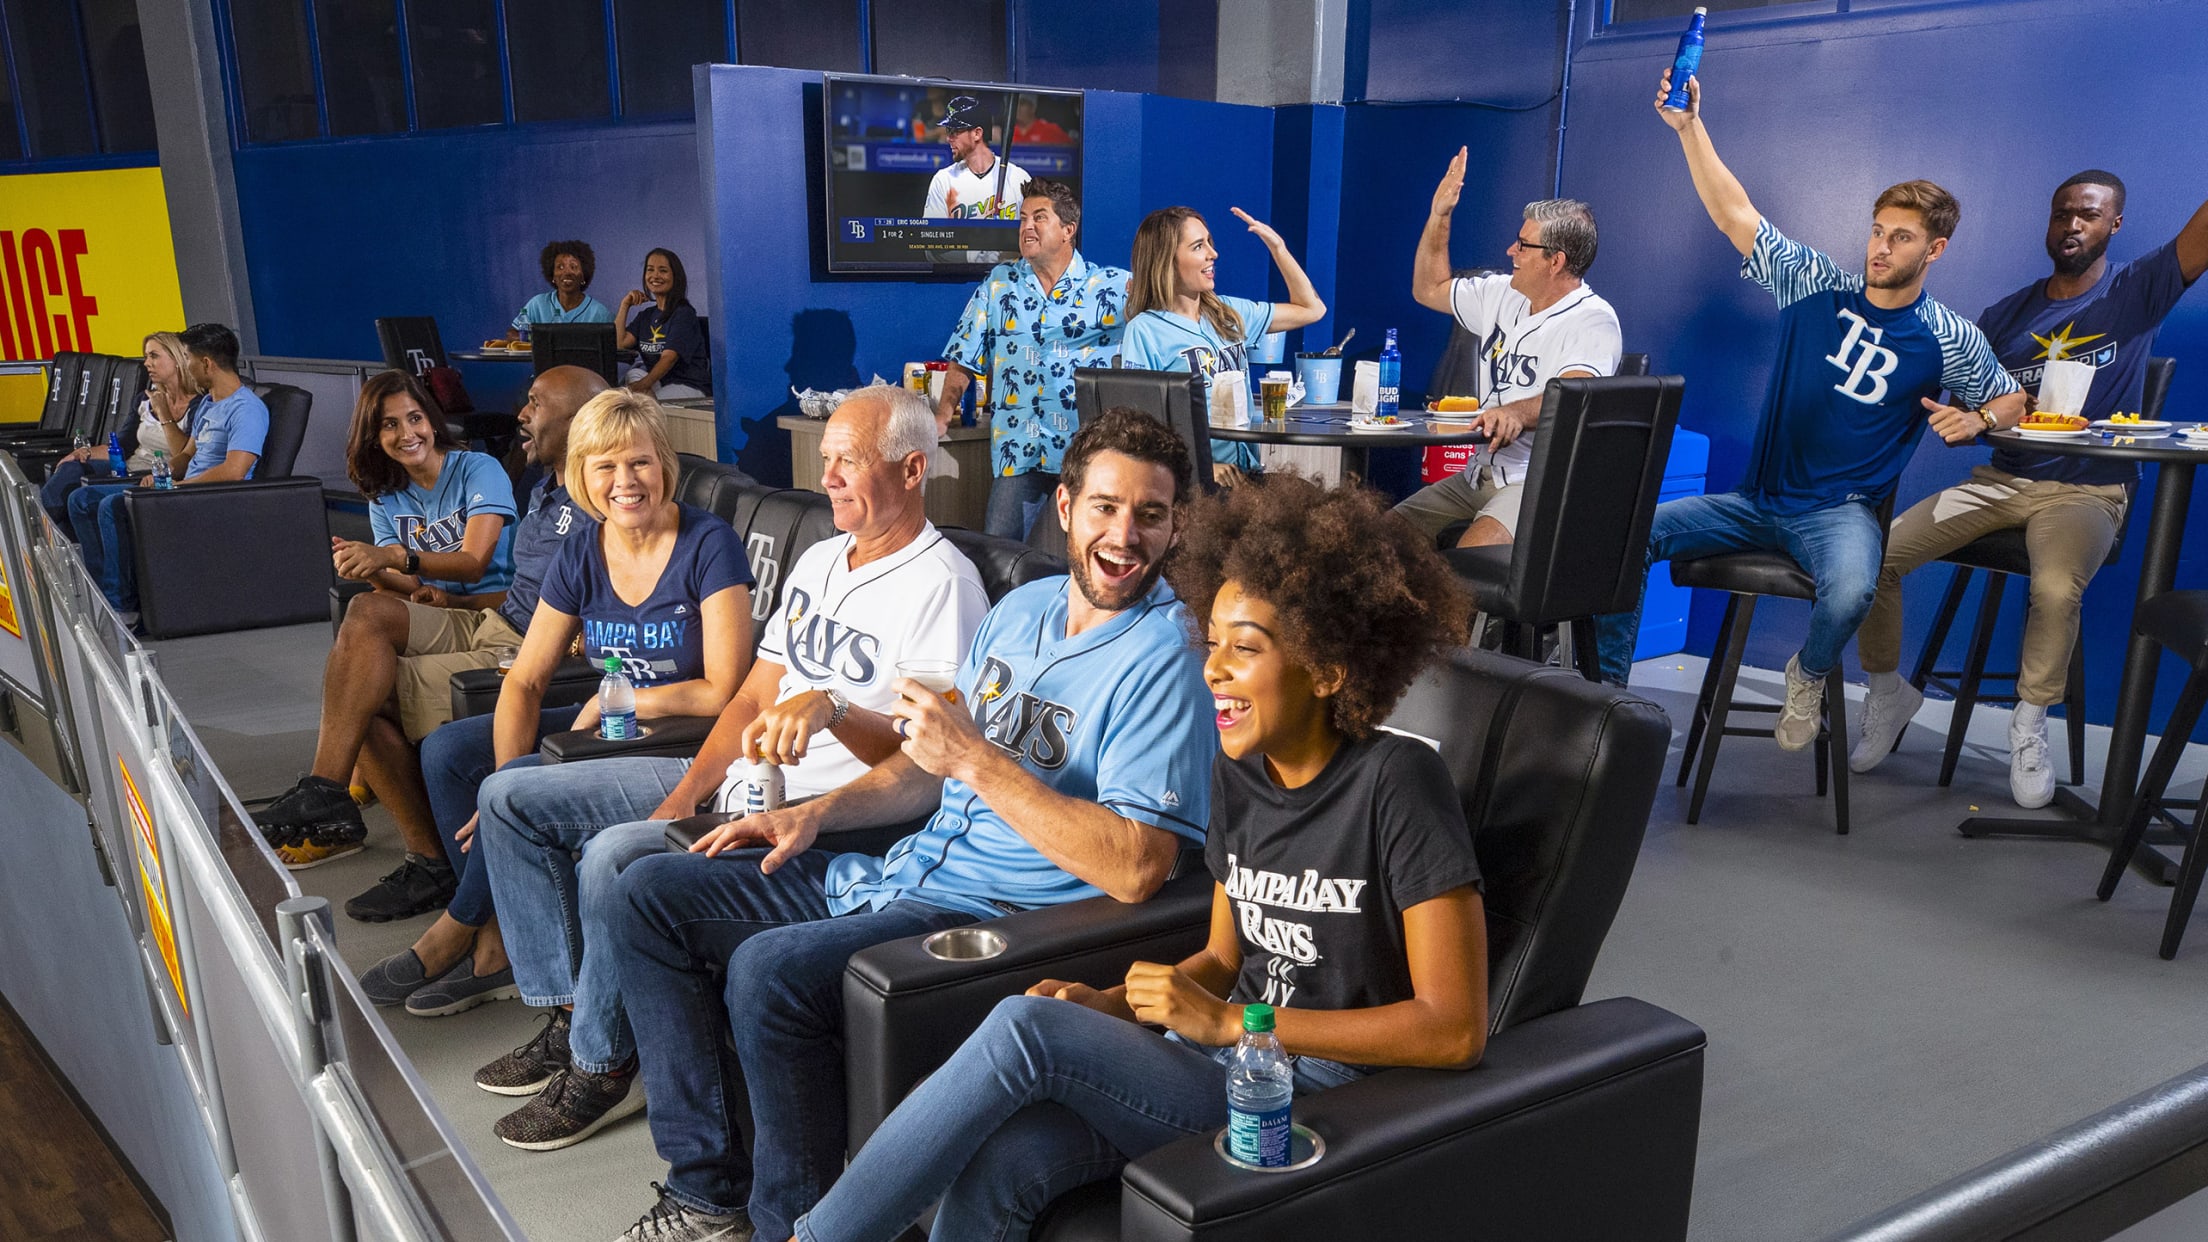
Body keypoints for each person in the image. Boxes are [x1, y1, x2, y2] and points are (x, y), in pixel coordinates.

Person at [790, 473, 1484, 1242]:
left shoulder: (1399, 783)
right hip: (1218, 1061)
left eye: (1243, 649)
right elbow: (1223, 957)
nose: (1212, 667)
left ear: (1326, 669)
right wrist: (1113, 1003)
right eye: (1211, 641)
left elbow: (1453, 1028)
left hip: (1313, 1094)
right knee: (1007, 1162)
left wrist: (1234, 1026)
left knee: (1025, 1030)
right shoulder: (1242, 775)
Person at [604, 409, 1218, 1242]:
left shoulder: (1168, 657)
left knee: (769, 973)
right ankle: (709, 1190)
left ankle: (796, 1222)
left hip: (992, 917)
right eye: (1106, 507)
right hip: (896, 868)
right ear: (1065, 508)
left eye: (1151, 514)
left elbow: (1140, 868)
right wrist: (815, 814)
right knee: (646, 892)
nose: (1125, 535)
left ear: (1177, 524)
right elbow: (927, 763)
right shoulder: (1024, 608)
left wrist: (980, 763)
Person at [470, 385, 989, 1152]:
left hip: (824, 818)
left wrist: (837, 711)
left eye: (849, 461)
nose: (829, 478)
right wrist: (682, 799)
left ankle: (600, 1062)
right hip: (737, 784)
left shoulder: (944, 586)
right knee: (517, 798)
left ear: (912, 470)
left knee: (614, 860)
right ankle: (581, 1022)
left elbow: (931, 765)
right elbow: (748, 696)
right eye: (828, 459)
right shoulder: (820, 561)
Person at [1589, 70, 2026, 744]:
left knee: (1853, 589)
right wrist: (1689, 128)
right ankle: (1604, 703)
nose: (1881, 248)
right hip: (1755, 501)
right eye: (1878, 231)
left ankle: (1810, 672)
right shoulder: (1814, 284)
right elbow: (1735, 212)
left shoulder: (1948, 336)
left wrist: (1979, 420)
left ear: (1935, 249)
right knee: (1622, 533)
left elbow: (2012, 398)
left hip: (1838, 513)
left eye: (1901, 238)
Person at [376, 389, 754, 1019]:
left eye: (639, 462)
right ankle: (495, 933)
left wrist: (627, 698)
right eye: (605, 467)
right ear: (582, 476)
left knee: (513, 789)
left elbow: (724, 688)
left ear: (664, 464)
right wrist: (503, 783)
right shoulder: (583, 549)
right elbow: (524, 681)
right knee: (449, 752)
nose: (625, 482)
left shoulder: (708, 544)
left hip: (681, 736)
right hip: (607, 723)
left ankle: (469, 938)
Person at [1852, 173, 2208, 806]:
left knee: (2052, 588)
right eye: (2063, 213)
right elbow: (1966, 406)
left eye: (2090, 216)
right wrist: (1962, 421)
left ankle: (2029, 723)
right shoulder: (2006, 315)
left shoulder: (2139, 289)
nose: (2073, 225)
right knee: (1873, 558)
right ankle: (1888, 693)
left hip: (2088, 493)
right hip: (2002, 480)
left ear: (2113, 226)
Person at [312, 368, 603, 989]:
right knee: (362, 640)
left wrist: (397, 561)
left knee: (371, 703)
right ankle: (346, 803)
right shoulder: (548, 488)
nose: (519, 414)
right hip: (491, 619)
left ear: (581, 420)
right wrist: (428, 592)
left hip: (532, 648)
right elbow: (524, 593)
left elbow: (528, 587)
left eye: (533, 403)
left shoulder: (590, 495)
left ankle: (463, 909)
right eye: (389, 424)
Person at [255, 370, 519, 872]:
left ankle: (343, 808)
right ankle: (327, 791)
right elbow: (391, 582)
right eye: (390, 425)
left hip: (495, 609)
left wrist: (396, 557)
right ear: (374, 437)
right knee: (364, 611)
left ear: (432, 421)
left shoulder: (478, 468)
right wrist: (369, 565)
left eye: (415, 418)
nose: (407, 434)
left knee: (363, 686)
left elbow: (474, 561)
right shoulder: (385, 493)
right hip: (440, 609)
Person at [1393, 150, 1622, 549]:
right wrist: (1440, 216)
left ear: (1556, 261)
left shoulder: (1594, 320)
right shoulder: (1504, 293)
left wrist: (1516, 411)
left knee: (1469, 563)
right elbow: (1427, 289)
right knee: (1380, 542)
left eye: (1523, 245)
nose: (1510, 252)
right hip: (1477, 474)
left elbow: (1575, 396)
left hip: (1534, 482)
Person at [937, 178, 1131, 540]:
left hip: (1087, 452)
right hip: (1019, 449)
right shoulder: (999, 284)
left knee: (1094, 555)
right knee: (998, 556)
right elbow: (964, 353)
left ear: (1068, 230)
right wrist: (943, 416)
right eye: (1022, 218)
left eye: (1039, 218)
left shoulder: (1111, 287)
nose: (1026, 226)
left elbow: (1170, 311)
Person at [68, 322, 268, 617]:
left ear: (207, 363)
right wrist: (166, 472)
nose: (185, 365)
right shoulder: (210, 404)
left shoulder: (246, 409)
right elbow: (187, 453)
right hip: (181, 488)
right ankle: (103, 587)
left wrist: (180, 486)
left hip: (213, 497)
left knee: (113, 505)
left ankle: (120, 605)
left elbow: (235, 470)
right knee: (81, 500)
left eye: (187, 358)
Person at [1119, 206, 1327, 487]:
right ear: (1166, 259)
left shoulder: (1227, 312)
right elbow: (1139, 432)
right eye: (1198, 246)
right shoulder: (1144, 330)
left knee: (1308, 498)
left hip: (1245, 475)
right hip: (1193, 484)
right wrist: (1201, 468)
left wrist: (1278, 249)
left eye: (1209, 243)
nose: (1212, 254)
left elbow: (1312, 309)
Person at [40, 331, 204, 527]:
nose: (146, 363)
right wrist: (84, 452)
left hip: (155, 476)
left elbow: (184, 455)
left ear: (176, 359)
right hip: (129, 467)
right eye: (145, 357)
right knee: (72, 468)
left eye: (154, 356)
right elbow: (123, 444)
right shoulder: (144, 400)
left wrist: (164, 414)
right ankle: (39, 526)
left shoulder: (199, 404)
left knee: (80, 498)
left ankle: (46, 533)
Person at [614, 248, 712, 399]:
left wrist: (641, 386)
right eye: (650, 270)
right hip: (660, 383)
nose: (655, 276)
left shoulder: (684, 313)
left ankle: (648, 402)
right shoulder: (646, 316)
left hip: (687, 385)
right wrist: (624, 305)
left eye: (663, 270)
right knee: (634, 373)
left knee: (646, 403)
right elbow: (620, 343)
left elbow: (669, 358)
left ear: (675, 277)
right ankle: (647, 400)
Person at [923, 95, 1029, 221]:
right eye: (948, 131)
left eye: (954, 131)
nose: (948, 138)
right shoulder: (943, 181)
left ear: (977, 133)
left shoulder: (1019, 179)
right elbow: (933, 235)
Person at [508, 240, 612, 341]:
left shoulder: (600, 313)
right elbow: (512, 334)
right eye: (560, 267)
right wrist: (537, 339)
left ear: (583, 275)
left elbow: (614, 344)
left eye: (573, 267)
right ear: (552, 275)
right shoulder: (537, 304)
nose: (567, 272)